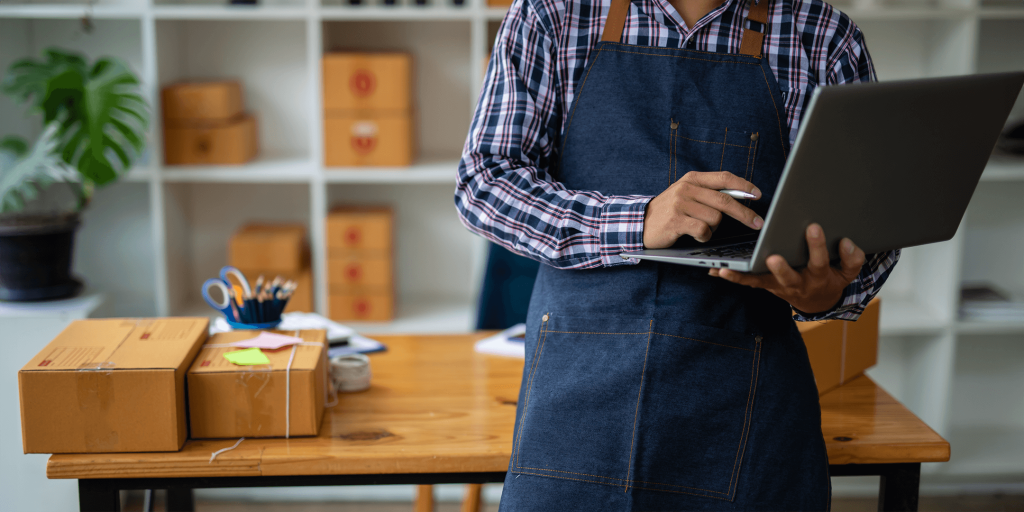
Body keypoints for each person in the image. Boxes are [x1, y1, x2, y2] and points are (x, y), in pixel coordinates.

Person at [455, 0, 900, 507]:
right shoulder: (553, 13)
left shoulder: (822, 36)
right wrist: (639, 221)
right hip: (577, 401)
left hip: (747, 404)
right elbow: (485, 184)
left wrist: (827, 292)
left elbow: (874, 229)